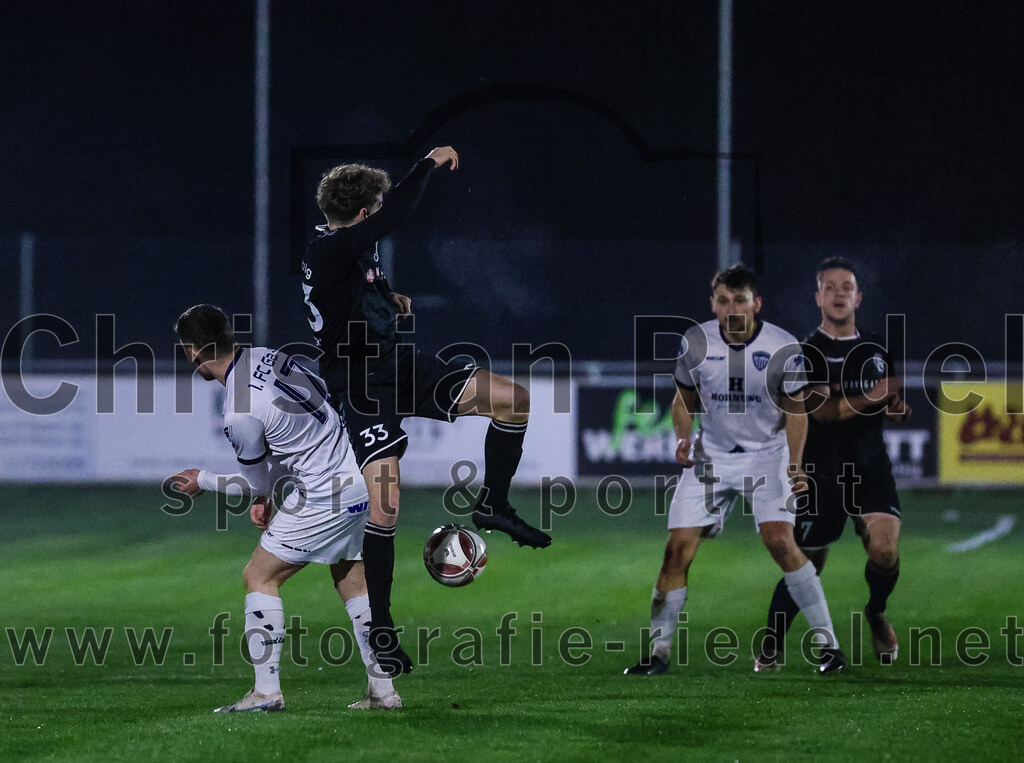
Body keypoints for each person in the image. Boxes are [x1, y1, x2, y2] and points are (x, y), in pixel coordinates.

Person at [301, 146, 551, 676]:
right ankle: (382, 629)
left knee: (513, 401)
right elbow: (397, 215)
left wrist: (389, 300)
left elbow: (352, 295)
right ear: (365, 212)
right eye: (377, 206)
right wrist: (429, 164)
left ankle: (493, 506)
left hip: (401, 366)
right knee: (384, 507)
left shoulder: (349, 250)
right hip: (362, 385)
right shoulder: (330, 248)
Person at [169, 303, 401, 712]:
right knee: (352, 579)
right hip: (361, 474)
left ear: (193, 352)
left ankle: (265, 692)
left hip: (324, 491)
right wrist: (267, 496)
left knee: (259, 576)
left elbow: (256, 481)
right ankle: (382, 691)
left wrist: (202, 480)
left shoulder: (238, 410)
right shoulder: (267, 356)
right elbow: (316, 411)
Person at [624, 264, 846, 676]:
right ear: (713, 304)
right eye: (723, 301)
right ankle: (658, 653)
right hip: (712, 457)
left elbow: (798, 411)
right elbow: (682, 400)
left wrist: (795, 465)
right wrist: (682, 437)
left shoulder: (783, 346)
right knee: (676, 551)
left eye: (740, 300)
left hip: (767, 455)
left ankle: (828, 646)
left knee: (780, 541)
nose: (731, 309)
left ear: (756, 304)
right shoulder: (695, 342)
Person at [755, 257, 908, 671]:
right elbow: (824, 412)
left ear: (858, 297)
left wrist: (895, 404)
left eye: (847, 287)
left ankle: (876, 612)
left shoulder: (876, 348)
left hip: (870, 465)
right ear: (818, 297)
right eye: (830, 287)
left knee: (883, 548)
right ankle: (770, 645)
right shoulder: (806, 352)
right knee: (807, 562)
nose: (839, 293)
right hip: (821, 471)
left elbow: (891, 401)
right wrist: (876, 396)